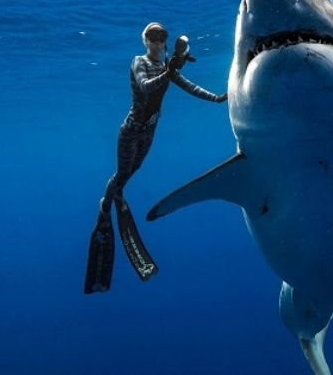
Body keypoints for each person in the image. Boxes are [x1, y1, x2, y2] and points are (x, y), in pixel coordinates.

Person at [84, 22, 227, 293]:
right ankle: (105, 206)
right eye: (152, 37)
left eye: (161, 37)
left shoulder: (166, 67)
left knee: (132, 171)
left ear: (164, 42)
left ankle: (117, 193)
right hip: (131, 130)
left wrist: (217, 98)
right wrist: (170, 70)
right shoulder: (139, 62)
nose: (157, 42)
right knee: (122, 173)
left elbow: (188, 86)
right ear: (145, 41)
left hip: (149, 131)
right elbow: (146, 86)